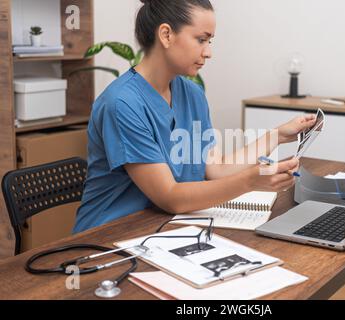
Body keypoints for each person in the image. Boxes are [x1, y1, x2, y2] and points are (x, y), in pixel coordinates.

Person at [73, 0, 316, 233]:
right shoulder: (122, 104)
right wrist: (250, 181)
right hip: (108, 237)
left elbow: (216, 169)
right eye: (201, 40)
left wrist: (277, 135)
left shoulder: (192, 93)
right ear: (166, 35)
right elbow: (170, 197)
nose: (208, 52)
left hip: (165, 229)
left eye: (210, 41)